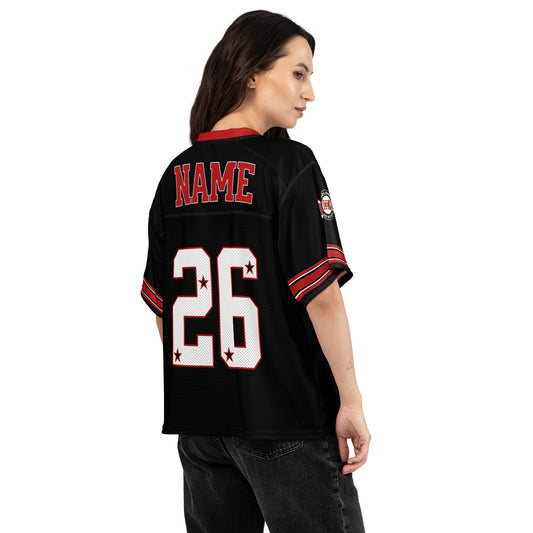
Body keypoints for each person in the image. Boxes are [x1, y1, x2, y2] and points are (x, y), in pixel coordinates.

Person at [140, 9, 371, 533]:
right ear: (251, 72)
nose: (310, 93)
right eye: (299, 73)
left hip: (201, 426)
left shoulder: (174, 175)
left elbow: (164, 311)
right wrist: (351, 400)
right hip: (286, 417)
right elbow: (322, 295)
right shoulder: (290, 166)